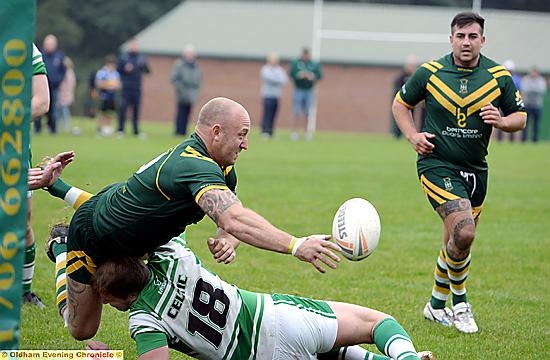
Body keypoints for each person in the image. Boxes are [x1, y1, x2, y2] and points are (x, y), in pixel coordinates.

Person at [43, 97, 341, 341]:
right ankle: (61, 249)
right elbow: (235, 219)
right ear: (216, 131)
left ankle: (56, 189)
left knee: (130, 289)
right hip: (92, 237)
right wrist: (296, 245)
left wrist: (228, 239)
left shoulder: (220, 168)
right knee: (80, 329)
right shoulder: (191, 166)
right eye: (242, 135)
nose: (245, 144)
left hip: (127, 226)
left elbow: (231, 219)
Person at [82, 233, 434, 360]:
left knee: (331, 354)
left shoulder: (144, 320)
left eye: (107, 299)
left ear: (122, 296)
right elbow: (136, 220)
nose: (106, 304)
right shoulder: (175, 256)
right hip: (280, 319)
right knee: (377, 324)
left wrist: (108, 358)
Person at [391, 12, 526, 334]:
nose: (466, 42)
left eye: (473, 36)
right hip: (436, 164)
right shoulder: (431, 72)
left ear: (483, 40)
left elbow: (519, 117)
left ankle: (435, 305)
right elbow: (400, 104)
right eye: (461, 36)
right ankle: (461, 304)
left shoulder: (498, 76)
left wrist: (502, 121)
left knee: (457, 240)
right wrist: (413, 136)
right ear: (451, 38)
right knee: (464, 232)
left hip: (477, 169)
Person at [22, 42, 51, 308]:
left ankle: (23, 291)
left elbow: (41, 103)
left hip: (11, 149)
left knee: (22, 219)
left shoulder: (24, 45)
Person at [117, 37, 150, 138]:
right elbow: (118, 70)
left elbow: (148, 71)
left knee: (136, 109)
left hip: (137, 87)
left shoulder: (141, 57)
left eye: (135, 45)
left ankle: (136, 131)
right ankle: (120, 130)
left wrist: (144, 65)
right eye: (132, 45)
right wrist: (125, 68)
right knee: (123, 108)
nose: (134, 47)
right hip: (126, 87)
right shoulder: (123, 57)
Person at [34, 34, 66, 134]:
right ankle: (37, 129)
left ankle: (52, 128)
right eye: (47, 44)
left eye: (51, 44)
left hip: (54, 86)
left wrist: (59, 80)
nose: (49, 46)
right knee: (38, 105)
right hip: (40, 86)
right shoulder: (39, 54)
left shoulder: (59, 56)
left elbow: (63, 70)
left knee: (52, 109)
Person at [289, 47, 322, 140]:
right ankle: (294, 132)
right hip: (298, 89)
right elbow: (291, 73)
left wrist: (312, 76)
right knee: (296, 112)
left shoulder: (313, 64)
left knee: (308, 112)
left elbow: (320, 75)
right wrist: (299, 75)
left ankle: (307, 132)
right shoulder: (296, 63)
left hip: (309, 90)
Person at [170, 44, 202, 136]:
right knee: (181, 113)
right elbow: (174, 78)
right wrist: (180, 89)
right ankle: (178, 131)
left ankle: (184, 131)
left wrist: (196, 91)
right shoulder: (179, 64)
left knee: (188, 113)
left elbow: (199, 80)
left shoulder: (196, 66)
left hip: (191, 94)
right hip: (182, 93)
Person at [260, 52, 288, 138]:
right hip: (267, 95)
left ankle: (271, 131)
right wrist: (277, 79)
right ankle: (265, 131)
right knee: (267, 114)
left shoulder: (279, 70)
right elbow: (269, 78)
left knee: (274, 114)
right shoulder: (265, 69)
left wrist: (276, 79)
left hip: (276, 96)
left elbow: (284, 80)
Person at [391, 55, 419, 139]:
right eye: (410, 65)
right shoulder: (401, 77)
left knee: (411, 118)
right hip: (401, 102)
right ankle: (397, 135)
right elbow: (396, 89)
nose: (412, 67)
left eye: (413, 65)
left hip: (411, 102)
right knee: (399, 116)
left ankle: (410, 134)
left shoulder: (415, 77)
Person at [496, 60, 521, 142]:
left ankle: (515, 141)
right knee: (500, 121)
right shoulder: (504, 78)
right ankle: (504, 141)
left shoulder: (515, 79)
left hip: (511, 103)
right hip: (503, 102)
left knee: (514, 121)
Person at [95, 55, 121, 136]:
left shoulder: (115, 73)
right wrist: (109, 84)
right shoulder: (102, 72)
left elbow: (118, 85)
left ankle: (107, 128)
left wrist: (110, 84)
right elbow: (99, 84)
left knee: (110, 113)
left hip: (112, 96)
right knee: (102, 112)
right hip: (103, 95)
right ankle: (100, 128)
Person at [521, 66, 547, 142]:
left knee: (536, 124)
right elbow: (525, 89)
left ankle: (535, 139)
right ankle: (524, 139)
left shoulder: (541, 80)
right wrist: (534, 90)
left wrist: (532, 90)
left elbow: (542, 90)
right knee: (526, 124)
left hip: (537, 105)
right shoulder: (526, 79)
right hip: (527, 105)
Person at [56, 56, 76, 133]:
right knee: (60, 110)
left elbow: (69, 85)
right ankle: (60, 125)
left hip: (65, 93)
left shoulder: (69, 73)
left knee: (64, 110)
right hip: (63, 93)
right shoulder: (66, 73)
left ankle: (66, 125)